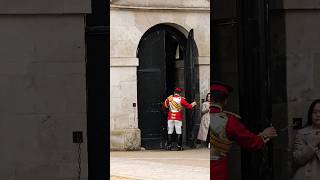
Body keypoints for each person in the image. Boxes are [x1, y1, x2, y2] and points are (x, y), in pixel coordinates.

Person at [209, 81, 278, 180]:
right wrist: (265, 135)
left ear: (209, 98)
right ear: (225, 101)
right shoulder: (230, 121)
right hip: (218, 173)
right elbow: (251, 142)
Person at [292, 99, 320, 180]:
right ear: (310, 115)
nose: (318, 115)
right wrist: (313, 144)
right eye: (315, 112)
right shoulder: (302, 133)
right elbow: (298, 159)